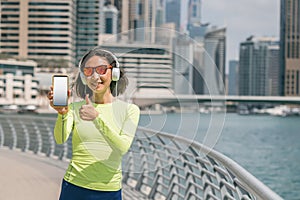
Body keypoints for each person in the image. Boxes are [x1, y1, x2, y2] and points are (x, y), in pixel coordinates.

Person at [47, 47, 140, 200]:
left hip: (109, 190)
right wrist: (62, 114)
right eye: (89, 71)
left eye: (102, 70)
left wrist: (96, 118)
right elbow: (60, 139)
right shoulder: (74, 108)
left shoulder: (130, 110)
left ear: (114, 73)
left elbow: (122, 148)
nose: (95, 76)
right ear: (84, 77)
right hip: (74, 186)